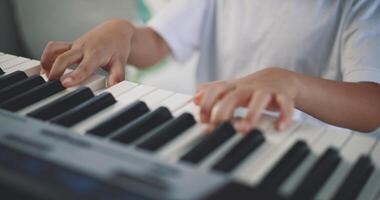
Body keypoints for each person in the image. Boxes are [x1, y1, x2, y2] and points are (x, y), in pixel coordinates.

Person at [40, 0, 380, 133]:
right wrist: (124, 32)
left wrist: (293, 84)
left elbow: (371, 105)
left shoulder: (361, 6)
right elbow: (155, 45)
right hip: (220, 135)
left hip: (310, 152)